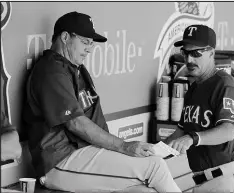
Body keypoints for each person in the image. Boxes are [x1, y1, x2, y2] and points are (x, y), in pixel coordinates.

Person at [23, 11, 181, 193]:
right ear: (65, 37)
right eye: (85, 42)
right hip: (61, 160)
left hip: (84, 153)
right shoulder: (51, 71)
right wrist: (123, 146)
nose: (89, 49)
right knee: (155, 166)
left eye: (92, 44)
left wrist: (118, 150)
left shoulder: (75, 68)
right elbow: (75, 123)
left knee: (144, 191)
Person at [164, 24, 234, 192]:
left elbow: (228, 131)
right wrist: (151, 152)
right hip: (203, 182)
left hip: (228, 180)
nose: (189, 60)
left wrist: (192, 139)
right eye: (185, 53)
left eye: (196, 53)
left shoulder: (225, 85)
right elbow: (180, 133)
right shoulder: (193, 89)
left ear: (211, 53)